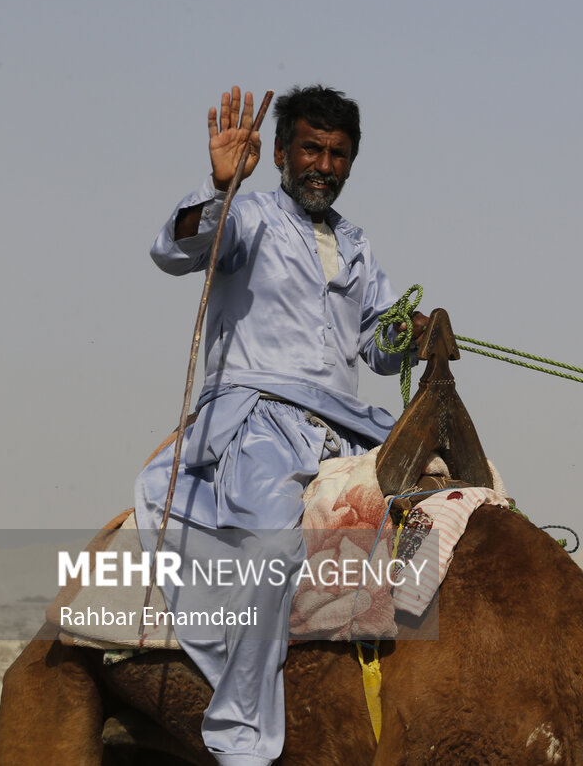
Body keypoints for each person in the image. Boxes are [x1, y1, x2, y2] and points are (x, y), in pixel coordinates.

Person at [134, 85, 424, 766]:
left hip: (346, 428)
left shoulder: (355, 243)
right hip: (254, 422)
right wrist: (218, 185)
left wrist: (409, 331)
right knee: (271, 549)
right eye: (311, 149)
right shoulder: (250, 216)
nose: (324, 164)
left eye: (338, 153)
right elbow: (175, 249)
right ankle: (240, 738)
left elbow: (378, 347)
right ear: (285, 154)